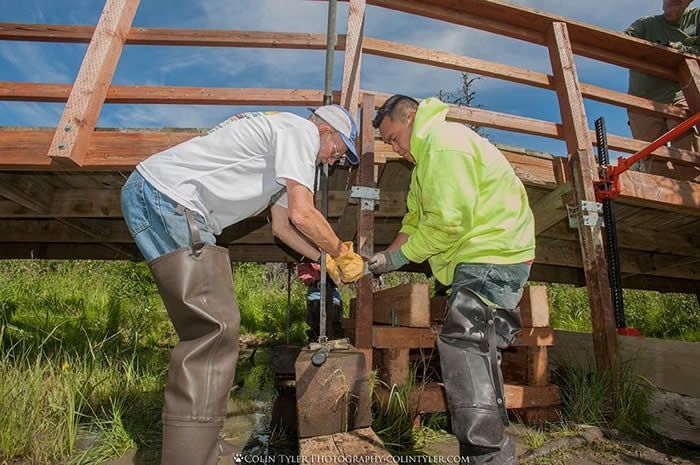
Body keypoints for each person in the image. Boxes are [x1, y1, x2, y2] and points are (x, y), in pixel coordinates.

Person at [120, 105, 366, 465]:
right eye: (338, 150)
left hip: (163, 198)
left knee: (211, 329)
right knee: (213, 332)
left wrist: (323, 260)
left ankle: (206, 444)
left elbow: (283, 227)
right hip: (171, 200)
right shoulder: (300, 132)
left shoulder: (288, 152)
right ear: (325, 129)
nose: (333, 160)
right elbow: (303, 214)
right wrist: (341, 252)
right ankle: (190, 457)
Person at [367, 95, 535, 465]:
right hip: (478, 256)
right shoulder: (423, 165)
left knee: (462, 343)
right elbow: (414, 225)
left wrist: (395, 258)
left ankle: (486, 457)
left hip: (493, 251)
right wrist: (381, 261)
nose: (394, 148)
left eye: (393, 137)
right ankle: (491, 451)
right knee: (476, 347)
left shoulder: (444, 143)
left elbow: (447, 223)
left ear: (410, 117)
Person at [625, 0, 700, 179]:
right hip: (641, 97)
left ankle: (694, 193)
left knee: (687, 149)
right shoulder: (645, 24)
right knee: (652, 156)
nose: (669, 7)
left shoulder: (696, 19)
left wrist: (679, 49)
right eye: (667, 1)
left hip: (677, 95)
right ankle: (660, 197)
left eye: (676, 2)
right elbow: (619, 41)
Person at [297, 261, 344, 343]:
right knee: (315, 322)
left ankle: (334, 344)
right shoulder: (305, 257)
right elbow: (305, 276)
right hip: (315, 293)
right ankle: (316, 341)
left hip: (333, 292)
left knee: (335, 322)